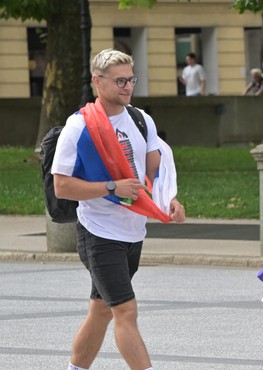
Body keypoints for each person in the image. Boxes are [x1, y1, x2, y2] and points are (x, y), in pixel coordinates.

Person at [52, 48, 186, 370]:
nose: (128, 86)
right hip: (99, 232)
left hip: (133, 231)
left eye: (131, 79)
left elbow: (154, 171)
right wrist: (112, 187)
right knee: (125, 311)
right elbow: (62, 186)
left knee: (100, 311)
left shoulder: (141, 120)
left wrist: (170, 199)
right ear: (98, 82)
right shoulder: (79, 126)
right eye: (120, 80)